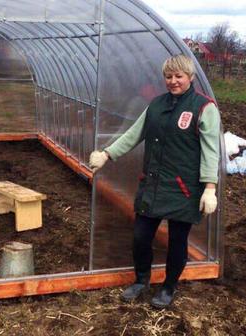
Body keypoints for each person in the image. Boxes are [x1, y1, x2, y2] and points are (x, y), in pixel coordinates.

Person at [89, 54, 220, 308]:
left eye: (178, 76)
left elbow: (210, 150)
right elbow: (134, 134)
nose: (173, 81)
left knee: (177, 242)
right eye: (168, 77)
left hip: (183, 189)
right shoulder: (156, 105)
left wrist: (210, 188)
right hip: (153, 185)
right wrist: (107, 154)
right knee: (140, 236)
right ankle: (141, 280)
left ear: (190, 77)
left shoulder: (204, 108)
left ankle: (169, 287)